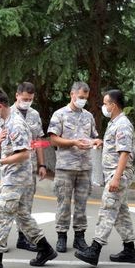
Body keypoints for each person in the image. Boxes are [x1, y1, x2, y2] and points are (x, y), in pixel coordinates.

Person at [0, 89, 57, 268]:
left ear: (0, 106)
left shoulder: (16, 124)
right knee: (23, 217)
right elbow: (6, 146)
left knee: (3, 215)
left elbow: (24, 154)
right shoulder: (5, 121)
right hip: (12, 175)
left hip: (16, 178)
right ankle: (45, 248)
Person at [74, 89, 135, 267]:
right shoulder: (115, 123)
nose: (104, 106)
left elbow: (124, 153)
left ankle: (95, 249)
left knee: (107, 210)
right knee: (121, 214)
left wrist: (116, 178)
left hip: (118, 174)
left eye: (106, 103)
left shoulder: (123, 124)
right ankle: (129, 249)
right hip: (114, 173)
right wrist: (103, 142)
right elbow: (116, 146)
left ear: (113, 105)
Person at [0, 82, 48, 251]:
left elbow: (38, 141)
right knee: (8, 206)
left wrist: (42, 164)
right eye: (24, 98)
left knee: (25, 205)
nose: (27, 102)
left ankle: (23, 238)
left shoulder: (34, 115)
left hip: (28, 167)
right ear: (17, 95)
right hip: (11, 168)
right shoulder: (5, 113)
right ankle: (1, 243)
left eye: (30, 99)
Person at [48, 81, 101, 253]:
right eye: (80, 97)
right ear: (72, 94)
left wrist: (96, 142)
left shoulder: (88, 116)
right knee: (63, 204)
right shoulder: (60, 114)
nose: (83, 100)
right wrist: (73, 142)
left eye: (85, 98)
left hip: (84, 167)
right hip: (65, 167)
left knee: (81, 204)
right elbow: (53, 139)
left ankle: (80, 238)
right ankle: (61, 236)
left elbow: (95, 137)